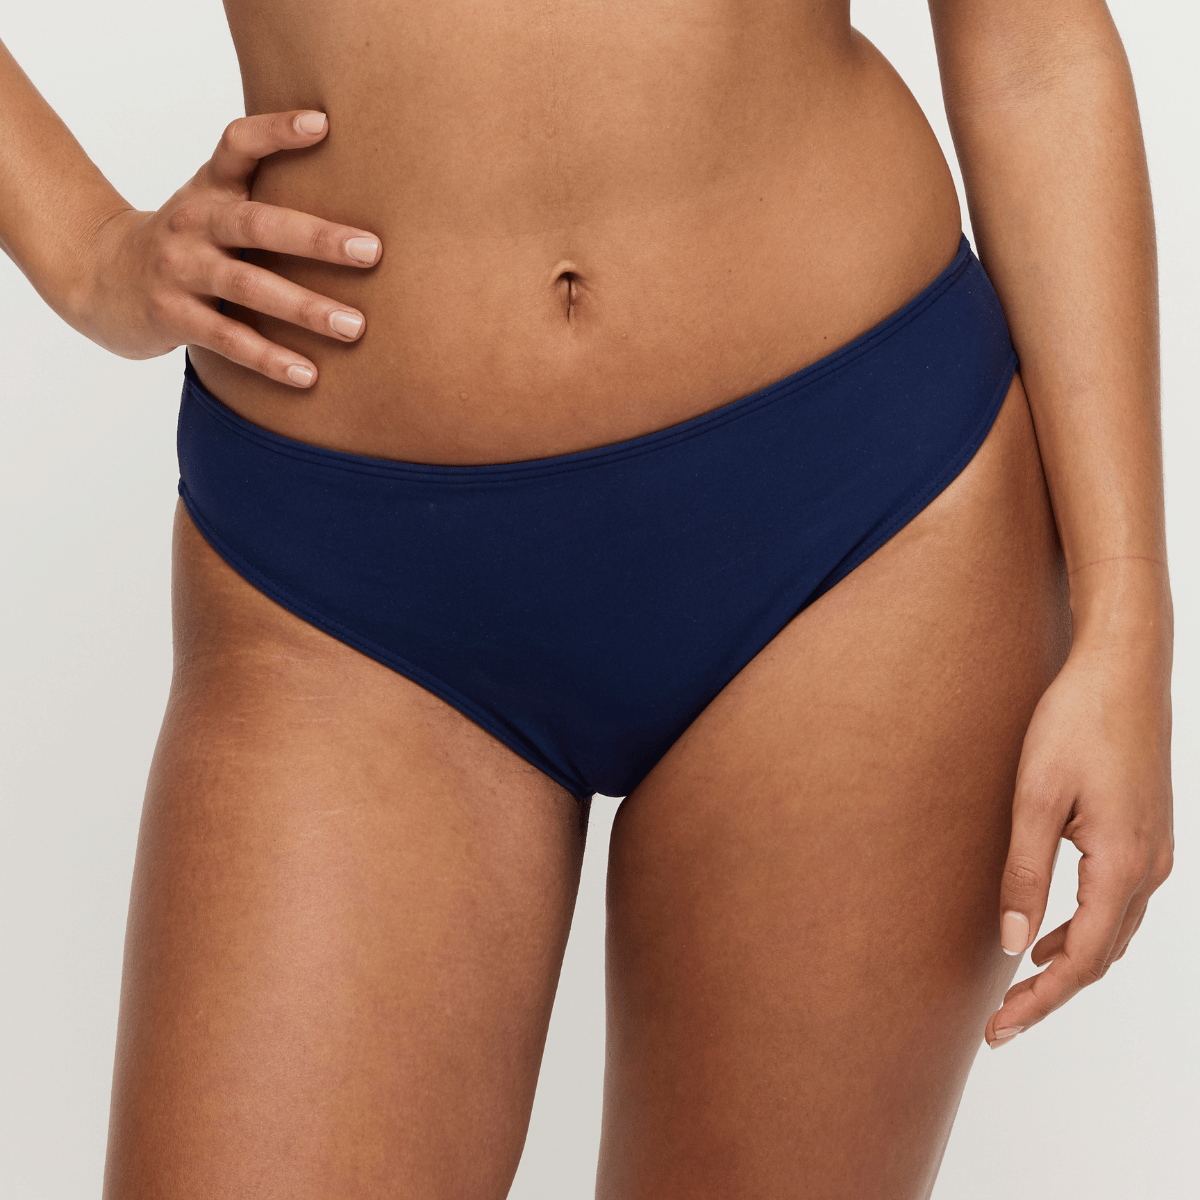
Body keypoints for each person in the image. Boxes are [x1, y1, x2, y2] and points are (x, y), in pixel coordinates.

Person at [0, 1, 1174, 1196]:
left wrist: (1128, 613)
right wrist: (87, 250)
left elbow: (1028, 47)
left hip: (857, 516)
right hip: (342, 584)